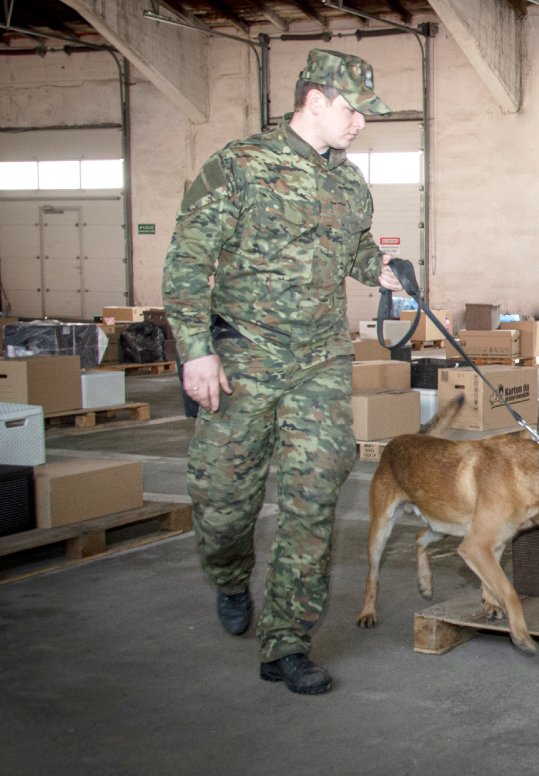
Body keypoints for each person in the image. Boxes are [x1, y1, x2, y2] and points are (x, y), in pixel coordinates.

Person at [162, 48, 405, 695]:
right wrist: (194, 349)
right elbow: (187, 262)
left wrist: (377, 270)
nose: (360, 124)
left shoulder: (351, 183)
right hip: (240, 355)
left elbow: (353, 244)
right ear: (316, 101)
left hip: (320, 361)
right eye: (353, 111)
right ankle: (228, 571)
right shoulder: (238, 168)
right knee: (221, 502)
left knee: (313, 498)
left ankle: (286, 642)